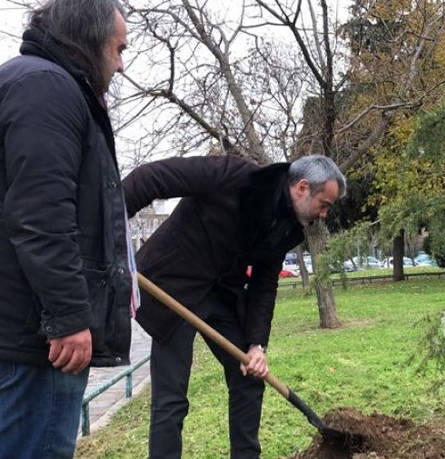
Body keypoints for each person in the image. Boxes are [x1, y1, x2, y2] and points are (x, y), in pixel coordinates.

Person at [122, 154, 346, 458]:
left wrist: (256, 344)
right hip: (173, 289)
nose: (324, 215)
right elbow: (151, 178)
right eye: (325, 204)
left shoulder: (288, 225)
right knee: (171, 398)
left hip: (221, 296)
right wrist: (109, 226)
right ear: (303, 188)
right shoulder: (234, 176)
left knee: (249, 378)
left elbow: (264, 283)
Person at [0, 0, 133, 457]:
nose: (120, 63)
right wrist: (69, 317)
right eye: (117, 49)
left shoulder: (33, 82)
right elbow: (40, 215)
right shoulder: (47, 88)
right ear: (89, 42)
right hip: (34, 343)